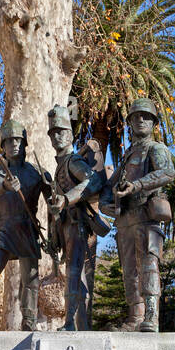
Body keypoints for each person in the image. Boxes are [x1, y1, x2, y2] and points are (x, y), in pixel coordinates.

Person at [103, 97, 175, 333]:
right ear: (130, 123)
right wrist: (106, 206)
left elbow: (167, 173)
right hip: (125, 221)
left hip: (146, 216)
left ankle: (151, 317)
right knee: (129, 271)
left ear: (154, 122)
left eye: (146, 116)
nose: (140, 120)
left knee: (149, 265)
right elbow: (109, 186)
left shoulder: (156, 149)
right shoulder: (126, 157)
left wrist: (137, 186)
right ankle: (135, 316)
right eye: (136, 116)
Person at [0, 120, 54, 331]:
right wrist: (3, 187)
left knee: (31, 281)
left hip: (28, 229)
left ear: (25, 142)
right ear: (2, 147)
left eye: (18, 140)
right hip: (4, 229)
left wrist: (53, 192)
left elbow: (54, 205)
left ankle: (29, 321)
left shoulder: (38, 172)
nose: (14, 145)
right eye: (9, 142)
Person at [47, 104, 109, 330]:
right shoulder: (59, 167)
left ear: (71, 135)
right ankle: (81, 326)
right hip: (66, 227)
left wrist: (66, 199)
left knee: (73, 273)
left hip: (77, 225)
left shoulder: (72, 161)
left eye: (61, 132)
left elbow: (94, 181)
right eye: (53, 133)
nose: (57, 137)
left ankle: (70, 324)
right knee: (75, 275)